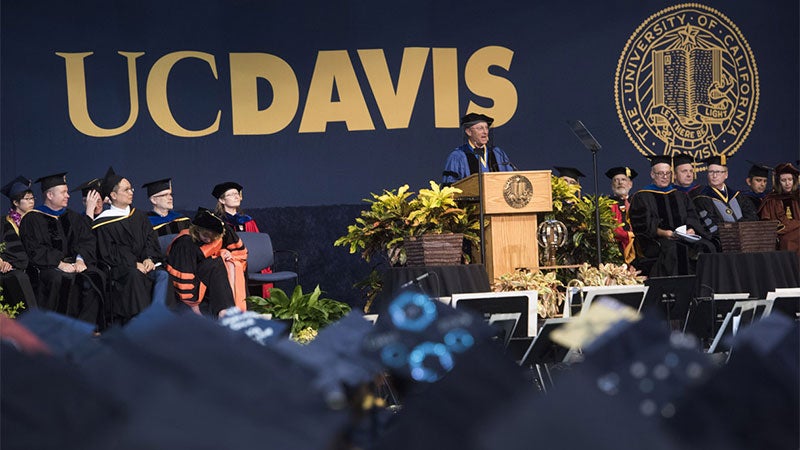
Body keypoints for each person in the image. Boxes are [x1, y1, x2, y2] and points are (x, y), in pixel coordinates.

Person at [18, 172, 104, 327]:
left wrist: (80, 259)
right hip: (49, 266)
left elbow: (86, 240)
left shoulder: (72, 217)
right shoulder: (32, 219)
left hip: (74, 263)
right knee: (60, 279)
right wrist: (59, 264)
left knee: (95, 276)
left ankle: (85, 327)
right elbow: (34, 249)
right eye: (64, 192)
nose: (68, 196)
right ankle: (57, 328)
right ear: (50, 195)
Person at [91, 167, 168, 324]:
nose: (131, 192)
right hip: (122, 269)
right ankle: (141, 321)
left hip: (145, 265)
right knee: (134, 274)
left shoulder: (139, 216)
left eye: (131, 188)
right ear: (113, 195)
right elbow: (109, 252)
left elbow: (150, 240)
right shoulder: (103, 222)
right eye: (126, 190)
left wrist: (149, 258)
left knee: (163, 275)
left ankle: (158, 315)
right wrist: (134, 263)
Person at [629, 155, 716, 276]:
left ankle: (704, 289)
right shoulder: (642, 196)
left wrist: (692, 229)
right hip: (657, 240)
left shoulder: (680, 195)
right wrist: (663, 233)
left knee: (707, 246)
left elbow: (692, 216)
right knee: (674, 250)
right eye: (660, 173)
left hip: (683, 237)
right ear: (652, 175)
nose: (665, 177)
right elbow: (641, 225)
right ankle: (676, 291)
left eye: (667, 173)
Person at [165, 208, 241, 316]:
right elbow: (182, 276)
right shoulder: (184, 243)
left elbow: (238, 252)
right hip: (183, 280)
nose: (209, 240)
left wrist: (224, 252)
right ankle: (195, 309)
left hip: (199, 272)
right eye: (206, 236)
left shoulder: (217, 237)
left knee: (218, 263)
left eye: (213, 237)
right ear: (197, 230)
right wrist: (193, 304)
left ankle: (224, 312)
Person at [213, 181, 269, 297]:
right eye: (231, 194)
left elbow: (258, 245)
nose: (236, 196)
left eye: (237, 194)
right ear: (222, 200)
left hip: (250, 261)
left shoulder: (248, 221)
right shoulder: (216, 222)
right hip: (229, 263)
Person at [692, 155, 759, 249]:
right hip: (721, 243)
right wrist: (734, 232)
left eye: (718, 172)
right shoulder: (701, 199)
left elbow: (751, 216)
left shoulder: (738, 196)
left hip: (745, 240)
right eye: (711, 172)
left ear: (726, 174)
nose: (714, 176)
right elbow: (710, 225)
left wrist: (739, 230)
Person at [441, 113, 515, 185]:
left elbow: (510, 179)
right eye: (480, 128)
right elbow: (450, 187)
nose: (485, 132)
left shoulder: (497, 153)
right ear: (469, 132)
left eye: (486, 128)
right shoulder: (458, 156)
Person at [1, 176, 37, 309]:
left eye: (32, 198)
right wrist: (1, 262)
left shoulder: (38, 221)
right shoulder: (3, 223)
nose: (31, 202)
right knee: (19, 277)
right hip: (12, 269)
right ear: (16, 202)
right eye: (27, 199)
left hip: (35, 266)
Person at [759, 162, 799, 256]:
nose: (787, 183)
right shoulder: (771, 199)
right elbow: (768, 223)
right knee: (788, 240)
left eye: (790, 179)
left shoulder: (798, 196)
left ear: (794, 180)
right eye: (783, 180)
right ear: (778, 182)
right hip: (782, 235)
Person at [605, 166, 638, 264]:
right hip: (616, 248)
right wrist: (628, 235)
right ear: (612, 185)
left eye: (623, 179)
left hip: (638, 246)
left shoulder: (637, 201)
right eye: (616, 180)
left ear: (630, 184)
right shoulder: (607, 204)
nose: (620, 183)